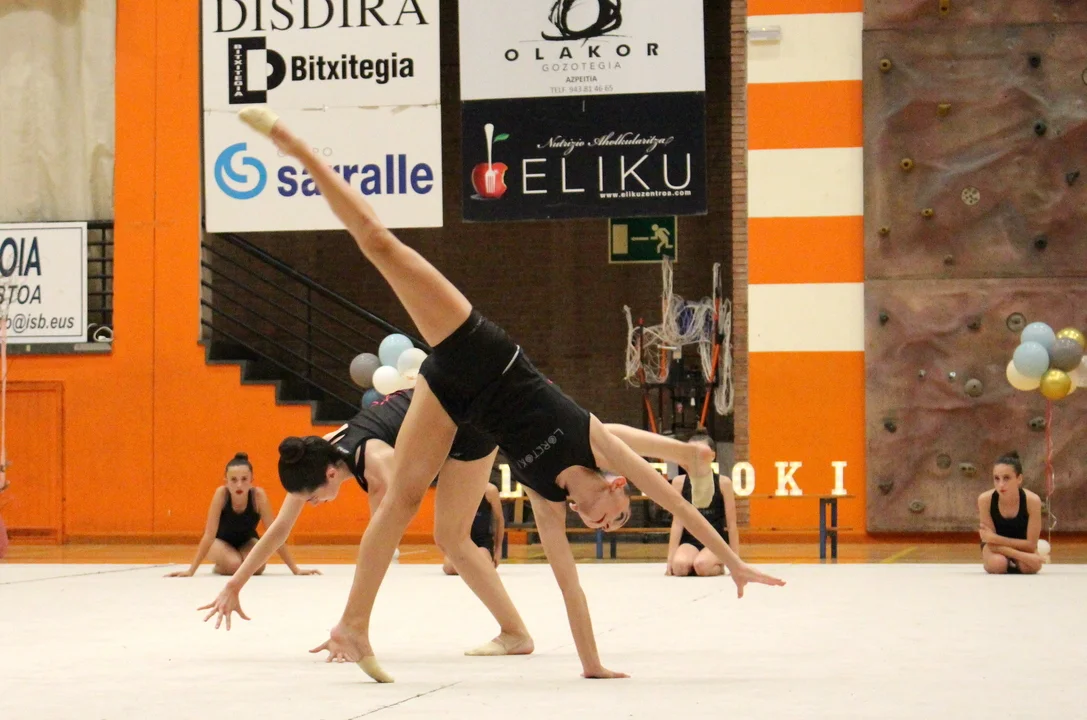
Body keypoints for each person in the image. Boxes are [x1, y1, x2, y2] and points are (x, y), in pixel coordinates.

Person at [238, 106, 786, 682]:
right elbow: (678, 504)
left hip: (456, 400)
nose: (603, 524)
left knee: (405, 502)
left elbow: (570, 587)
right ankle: (297, 148)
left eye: (606, 528)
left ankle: (352, 627)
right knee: (379, 243)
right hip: (476, 350)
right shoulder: (596, 444)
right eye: (615, 516)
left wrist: (593, 666)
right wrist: (734, 561)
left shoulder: (549, 502)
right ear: (615, 485)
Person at [166, 452, 317, 577]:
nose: (239, 485)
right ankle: (220, 567)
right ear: (226, 481)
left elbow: (275, 533)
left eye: (244, 479)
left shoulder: (258, 496)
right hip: (219, 542)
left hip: (246, 541)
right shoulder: (221, 495)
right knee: (234, 565)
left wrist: (295, 569)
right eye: (233, 480)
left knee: (257, 567)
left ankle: (235, 560)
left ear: (251, 480)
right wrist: (191, 570)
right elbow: (209, 534)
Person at [666, 431, 738, 577]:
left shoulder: (723, 483)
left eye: (700, 453)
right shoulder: (679, 482)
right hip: (690, 541)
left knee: (702, 566)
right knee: (679, 567)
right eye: (691, 453)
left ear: (712, 455)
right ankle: (694, 562)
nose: (696, 458)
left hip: (715, 541)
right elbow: (677, 523)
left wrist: (736, 562)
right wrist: (670, 560)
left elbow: (732, 525)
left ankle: (716, 564)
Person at [978, 451, 1047, 575]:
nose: (1001, 484)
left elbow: (1031, 545)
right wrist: (1022, 556)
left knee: (1030, 567)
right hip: (995, 548)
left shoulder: (1032, 501)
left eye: (1006, 478)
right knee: (998, 564)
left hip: (1023, 547)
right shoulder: (985, 500)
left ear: (1019, 478)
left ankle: (1014, 563)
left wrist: (996, 538)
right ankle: (1008, 563)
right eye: (996, 478)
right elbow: (990, 542)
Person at [444, 481, 503, 575]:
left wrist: (498, 549)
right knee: (449, 568)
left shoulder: (490, 490)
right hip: (461, 541)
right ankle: (474, 564)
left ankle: (480, 563)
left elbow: (499, 519)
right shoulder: (456, 489)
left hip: (482, 543)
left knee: (478, 564)